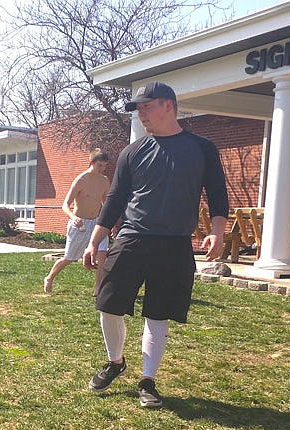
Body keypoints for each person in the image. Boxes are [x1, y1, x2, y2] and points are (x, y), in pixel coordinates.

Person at [82, 81, 228, 408]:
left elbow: (218, 194)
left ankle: (148, 381)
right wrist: (95, 240)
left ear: (168, 106)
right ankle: (116, 362)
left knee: (158, 315)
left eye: (146, 107)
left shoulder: (202, 148)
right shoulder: (132, 152)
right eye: (139, 110)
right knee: (108, 303)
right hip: (132, 236)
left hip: (175, 243)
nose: (142, 115)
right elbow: (116, 199)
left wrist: (217, 231)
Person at [44, 148, 111, 295]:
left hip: (96, 224)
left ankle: (98, 288)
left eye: (105, 166)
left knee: (102, 254)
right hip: (79, 224)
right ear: (91, 163)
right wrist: (74, 218)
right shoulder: (81, 180)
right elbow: (65, 205)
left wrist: (109, 222)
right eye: (100, 165)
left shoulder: (105, 181)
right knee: (70, 258)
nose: (102, 168)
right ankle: (49, 278)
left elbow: (106, 205)